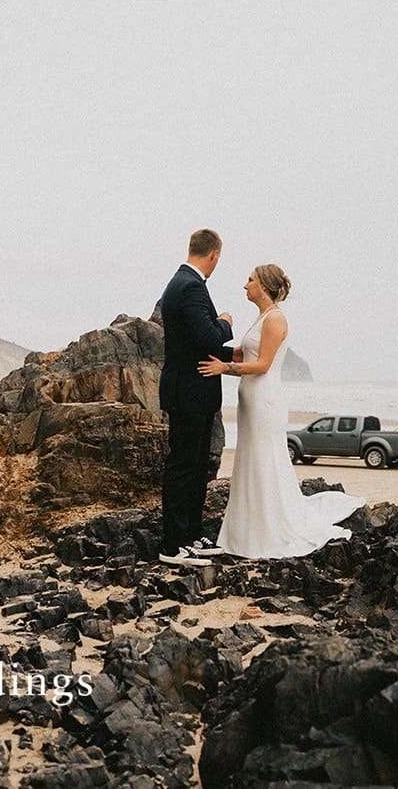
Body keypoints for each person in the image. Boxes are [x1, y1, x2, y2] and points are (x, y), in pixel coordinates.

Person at [198, 264, 363, 558]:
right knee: (250, 459)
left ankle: (267, 529)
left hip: (265, 400)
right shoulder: (261, 317)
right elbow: (243, 353)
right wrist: (214, 349)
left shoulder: (275, 319)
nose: (244, 284)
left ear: (263, 286)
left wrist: (225, 368)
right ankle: (245, 528)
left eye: (250, 280)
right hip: (251, 401)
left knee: (264, 459)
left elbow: (262, 365)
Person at [157, 229, 236, 567]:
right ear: (214, 255)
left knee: (196, 465)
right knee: (183, 467)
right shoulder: (189, 286)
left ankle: (191, 535)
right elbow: (207, 338)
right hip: (188, 392)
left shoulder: (184, 283)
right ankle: (174, 544)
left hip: (194, 392)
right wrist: (225, 323)